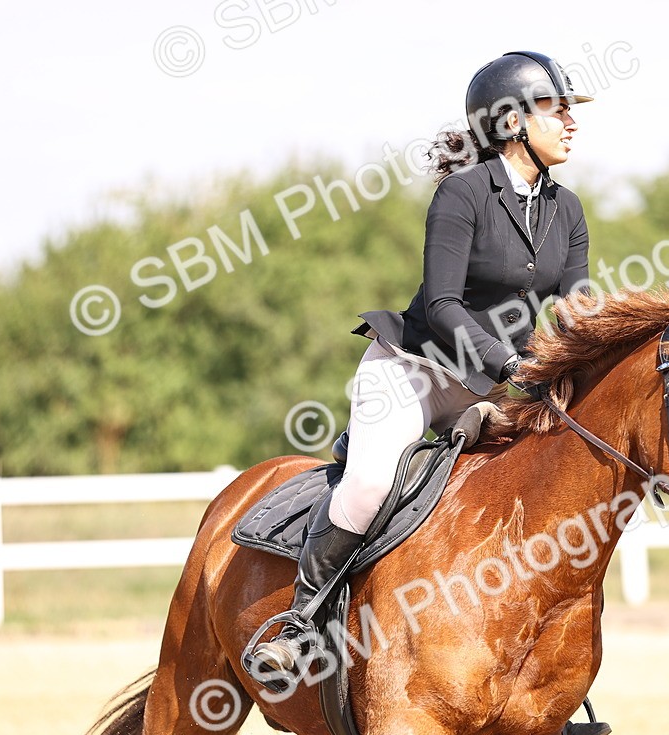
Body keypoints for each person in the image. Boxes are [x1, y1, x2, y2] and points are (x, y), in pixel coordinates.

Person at [247, 50, 594, 679]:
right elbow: (441, 304)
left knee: (536, 487)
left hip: (489, 385)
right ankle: (299, 622)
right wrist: (510, 364)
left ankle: (536, 668)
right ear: (514, 122)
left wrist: (593, 352)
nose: (572, 122)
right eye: (557, 108)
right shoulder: (463, 192)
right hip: (413, 370)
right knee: (373, 483)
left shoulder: (566, 209)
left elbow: (574, 306)